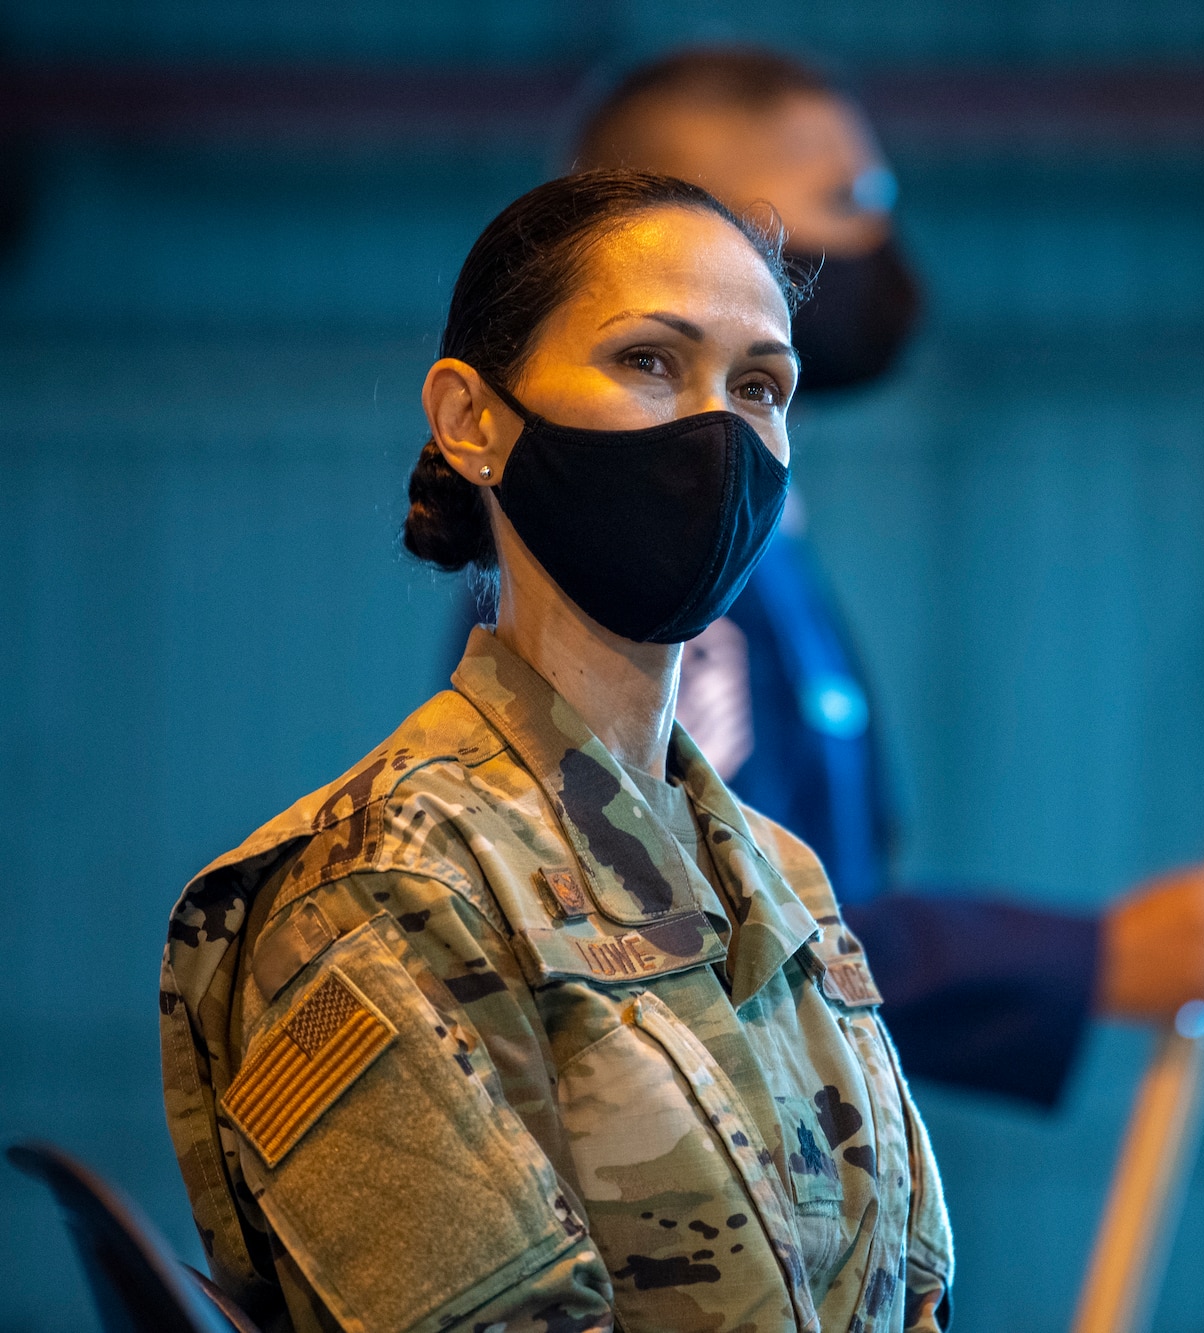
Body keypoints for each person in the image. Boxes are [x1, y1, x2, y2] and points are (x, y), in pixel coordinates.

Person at [161, 172, 951, 1333]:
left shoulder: (782, 879)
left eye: (760, 385)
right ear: (472, 421)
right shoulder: (383, 886)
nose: (719, 430)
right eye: (647, 361)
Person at [566, 48, 1204, 1107]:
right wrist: (1085, 959)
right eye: (849, 197)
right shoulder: (647, 565)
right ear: (702, 241)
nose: (878, 234)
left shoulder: (753, 540)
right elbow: (712, 923)